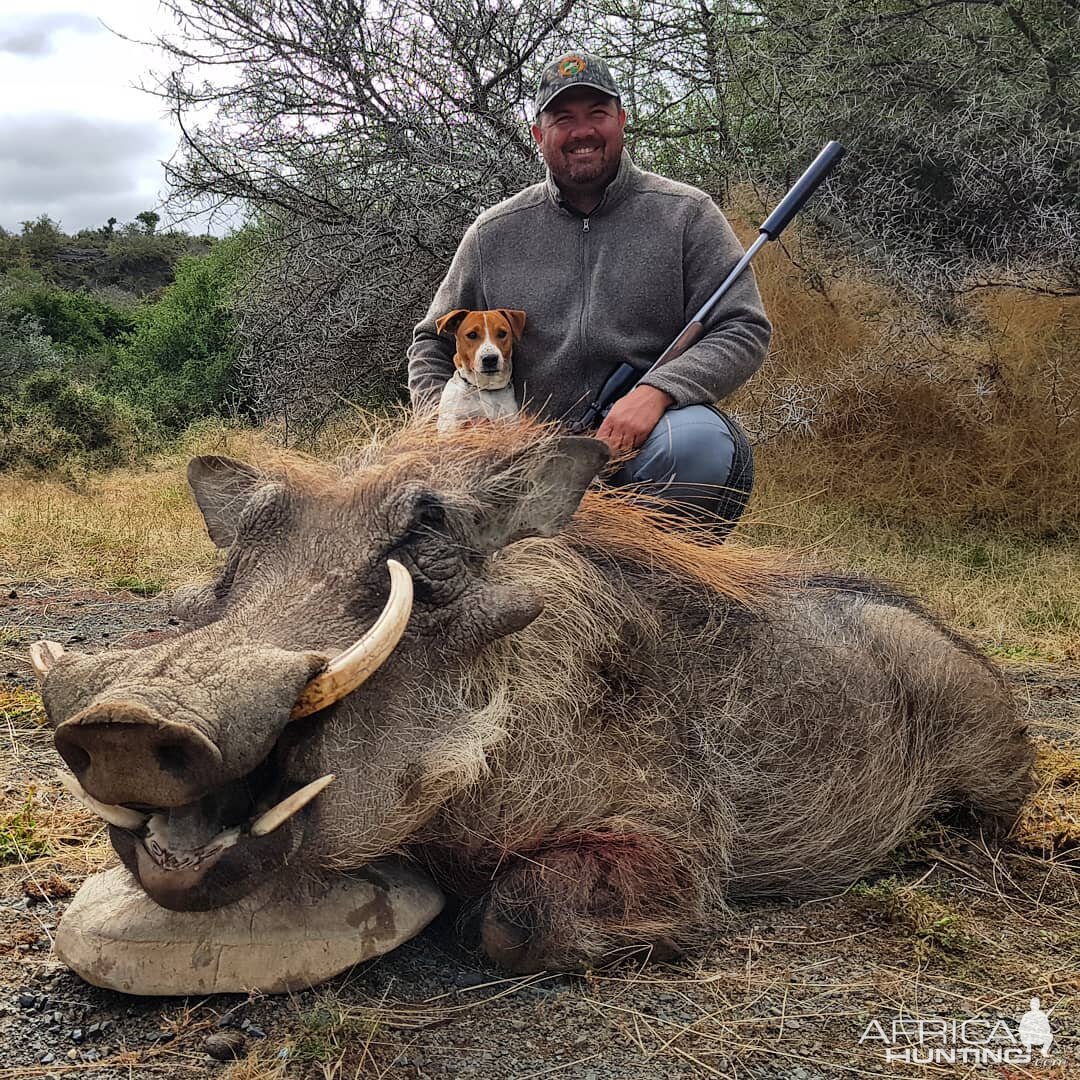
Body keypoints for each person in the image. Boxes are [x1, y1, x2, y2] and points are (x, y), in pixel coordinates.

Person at [408, 51, 771, 532]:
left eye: (597, 114)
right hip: (521, 463)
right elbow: (432, 343)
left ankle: (653, 584)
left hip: (642, 447)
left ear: (621, 121)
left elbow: (742, 326)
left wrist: (659, 391)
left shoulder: (687, 215)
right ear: (539, 135)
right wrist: (448, 427)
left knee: (699, 447)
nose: (582, 131)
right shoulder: (492, 233)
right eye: (563, 118)